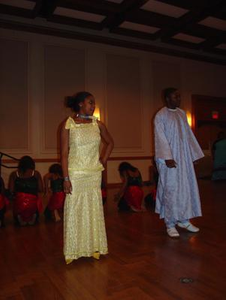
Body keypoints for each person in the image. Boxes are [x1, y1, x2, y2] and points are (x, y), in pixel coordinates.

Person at [61, 91, 114, 264]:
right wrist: (66, 178)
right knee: (75, 210)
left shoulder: (97, 124)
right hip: (75, 174)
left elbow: (110, 142)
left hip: (93, 174)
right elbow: (63, 154)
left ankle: (94, 247)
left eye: (94, 103)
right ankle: (73, 250)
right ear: (80, 104)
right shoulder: (68, 124)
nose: (93, 106)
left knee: (93, 209)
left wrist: (103, 160)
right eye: (90, 102)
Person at [154, 87, 204, 238]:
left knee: (185, 188)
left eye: (179, 96)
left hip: (184, 159)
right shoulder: (160, 115)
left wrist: (193, 155)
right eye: (176, 97)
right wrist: (167, 157)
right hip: (169, 160)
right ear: (167, 99)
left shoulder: (182, 114)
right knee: (171, 189)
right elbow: (160, 137)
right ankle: (170, 223)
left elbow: (188, 135)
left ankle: (184, 219)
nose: (179, 99)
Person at [8, 156, 43, 226]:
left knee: (16, 203)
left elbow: (11, 190)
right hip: (32, 201)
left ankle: (19, 216)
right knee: (36, 202)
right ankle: (34, 214)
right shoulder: (35, 173)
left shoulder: (14, 174)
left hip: (20, 200)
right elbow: (41, 189)